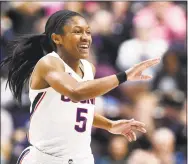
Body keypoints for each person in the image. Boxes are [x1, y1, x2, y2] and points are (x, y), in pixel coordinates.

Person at [1, 10, 160, 164]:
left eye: (88, 32)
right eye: (78, 32)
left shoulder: (88, 68)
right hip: (46, 158)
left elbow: (78, 110)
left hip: (81, 158)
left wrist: (110, 125)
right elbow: (76, 92)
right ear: (57, 38)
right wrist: (124, 76)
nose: (85, 38)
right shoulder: (49, 63)